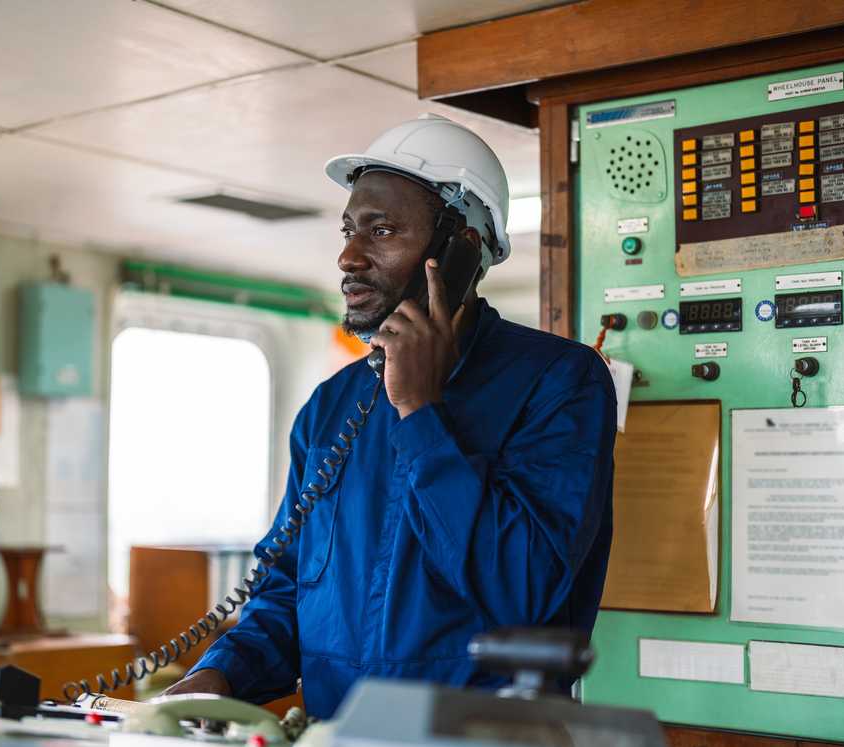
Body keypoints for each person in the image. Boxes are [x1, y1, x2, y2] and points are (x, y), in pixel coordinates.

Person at [163, 114, 616, 718]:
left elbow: (523, 590)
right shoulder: (330, 408)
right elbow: (284, 593)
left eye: (382, 231)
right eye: (350, 229)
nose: (349, 255)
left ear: (461, 250)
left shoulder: (560, 382)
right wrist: (218, 676)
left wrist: (421, 411)